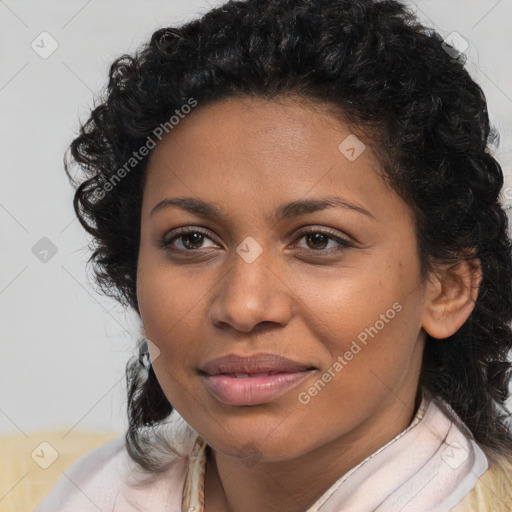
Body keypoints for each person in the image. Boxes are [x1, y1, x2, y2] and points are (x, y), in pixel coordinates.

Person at [35, 0, 512, 510]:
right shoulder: (55, 486)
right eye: (191, 240)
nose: (243, 307)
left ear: (447, 288)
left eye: (318, 240)